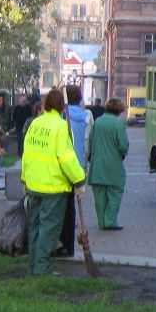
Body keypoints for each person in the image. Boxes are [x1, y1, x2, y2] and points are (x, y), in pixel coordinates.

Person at [21, 89, 86, 275]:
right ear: (62, 106)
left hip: (34, 184)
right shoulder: (60, 126)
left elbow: (27, 155)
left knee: (35, 226)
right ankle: (43, 268)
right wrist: (79, 180)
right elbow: (67, 158)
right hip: (53, 186)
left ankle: (33, 265)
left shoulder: (35, 123)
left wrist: (25, 179)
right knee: (49, 229)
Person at [57, 85, 94, 257]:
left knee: (62, 205)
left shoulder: (63, 116)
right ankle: (68, 244)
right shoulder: (85, 116)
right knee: (70, 204)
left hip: (63, 164)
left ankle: (62, 242)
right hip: (78, 164)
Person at [87, 98, 129, 230]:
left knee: (99, 195)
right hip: (114, 164)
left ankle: (101, 221)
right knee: (115, 193)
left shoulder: (98, 122)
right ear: (119, 110)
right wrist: (123, 153)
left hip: (97, 164)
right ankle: (110, 221)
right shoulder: (118, 124)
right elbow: (123, 145)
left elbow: (91, 143)